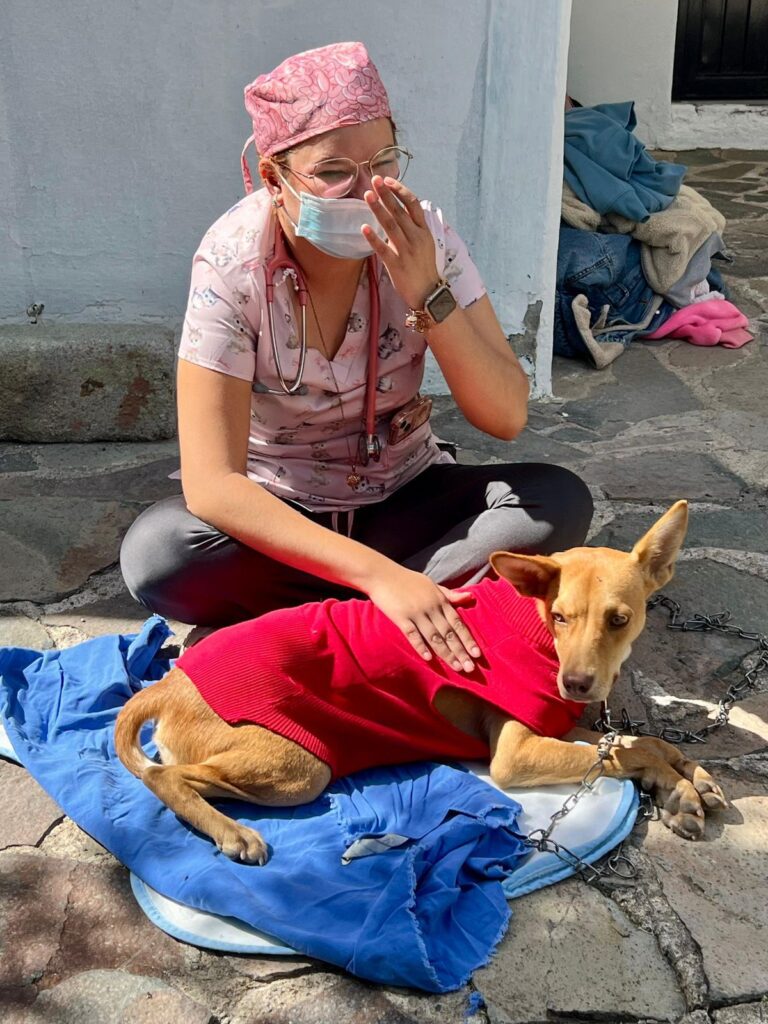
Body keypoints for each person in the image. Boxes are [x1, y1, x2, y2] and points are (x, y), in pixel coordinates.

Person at [120, 41, 593, 675]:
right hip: (284, 515)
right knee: (160, 556)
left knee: (555, 502)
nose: (366, 191)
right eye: (334, 170)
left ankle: (340, 625)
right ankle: (402, 609)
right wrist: (380, 578)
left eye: (384, 161)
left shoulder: (425, 236)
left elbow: (505, 413)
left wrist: (427, 290)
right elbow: (213, 484)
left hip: (403, 493)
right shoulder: (232, 265)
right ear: (274, 178)